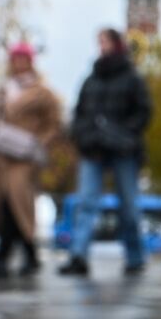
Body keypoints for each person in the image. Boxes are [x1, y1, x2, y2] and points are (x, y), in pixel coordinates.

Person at [59, 28, 152, 277]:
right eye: (99, 41)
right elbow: (79, 115)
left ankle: (134, 256)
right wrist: (85, 136)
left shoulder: (132, 78)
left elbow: (143, 113)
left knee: (129, 205)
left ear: (116, 44)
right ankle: (78, 255)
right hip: (93, 149)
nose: (101, 46)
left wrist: (124, 134)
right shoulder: (92, 80)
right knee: (86, 202)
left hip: (124, 150)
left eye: (105, 41)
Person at [0, 42, 62, 278]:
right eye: (15, 59)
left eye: (23, 59)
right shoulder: (3, 91)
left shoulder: (42, 93)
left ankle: (3, 257)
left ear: (30, 62)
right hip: (0, 158)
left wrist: (38, 144)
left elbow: (54, 125)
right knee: (2, 205)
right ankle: (28, 255)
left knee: (17, 202)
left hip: (24, 158)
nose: (18, 64)